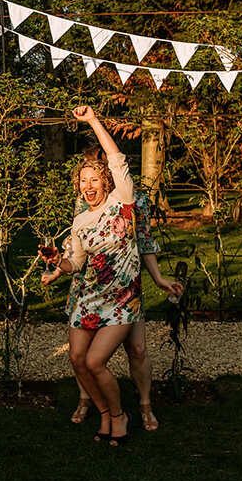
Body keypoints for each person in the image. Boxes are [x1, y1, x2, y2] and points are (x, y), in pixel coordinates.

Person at [40, 105, 180, 446]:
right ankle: (105, 414)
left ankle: (121, 415)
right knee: (77, 359)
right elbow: (76, 262)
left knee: (97, 359)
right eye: (83, 180)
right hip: (88, 296)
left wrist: (91, 120)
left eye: (95, 178)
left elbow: (117, 158)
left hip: (121, 300)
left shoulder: (123, 200)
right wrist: (59, 262)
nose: (89, 185)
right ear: (79, 186)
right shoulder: (80, 221)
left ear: (107, 181)